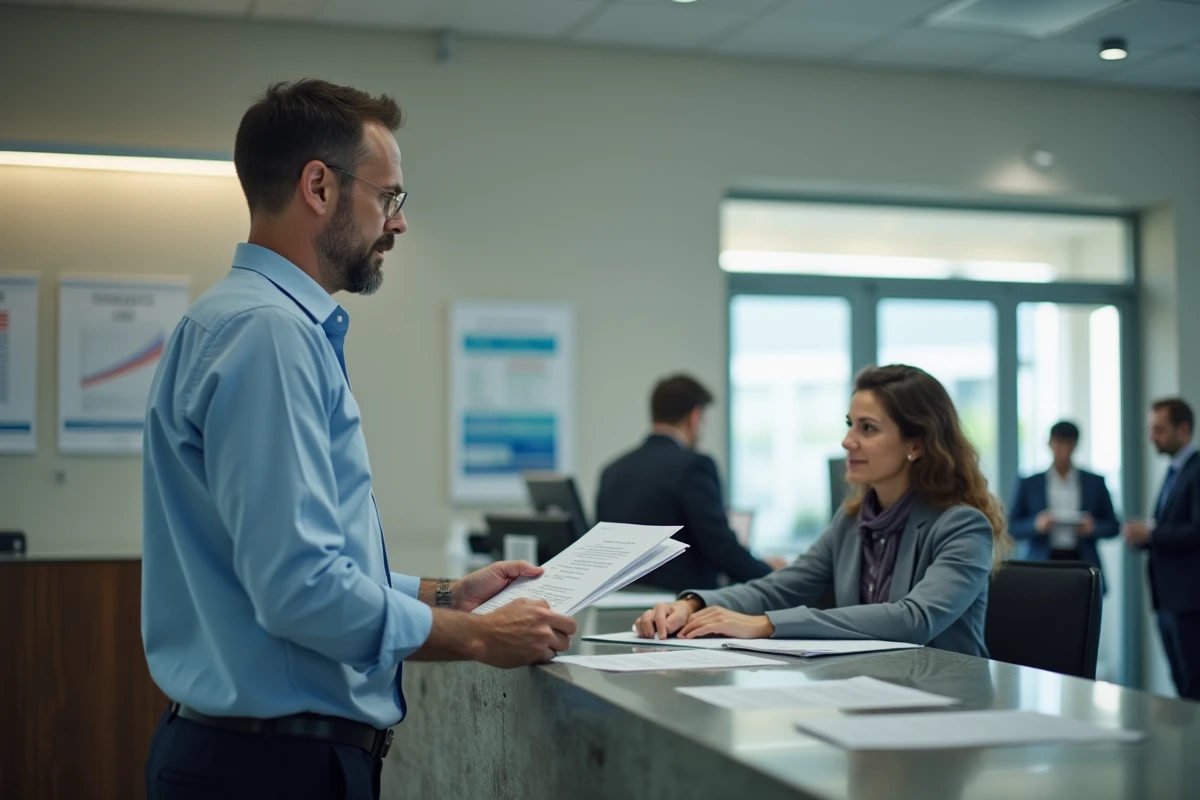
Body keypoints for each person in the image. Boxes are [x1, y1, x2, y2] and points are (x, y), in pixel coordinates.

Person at [141, 80, 577, 800]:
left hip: (251, 756)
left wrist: (448, 596)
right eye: (389, 197)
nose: (397, 224)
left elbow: (297, 563)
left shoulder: (243, 323)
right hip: (271, 768)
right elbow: (299, 590)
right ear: (318, 186)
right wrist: (477, 639)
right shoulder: (268, 335)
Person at [634, 364, 1009, 658]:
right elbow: (779, 588)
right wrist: (692, 604)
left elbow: (914, 619)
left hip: (947, 700)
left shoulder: (963, 525)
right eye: (850, 425)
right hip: (867, 690)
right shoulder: (851, 522)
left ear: (917, 443)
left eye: (868, 428)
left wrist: (765, 625)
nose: (848, 441)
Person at [595, 374, 783, 594]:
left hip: (618, 602)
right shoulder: (694, 465)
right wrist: (773, 575)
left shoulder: (613, 469)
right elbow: (720, 548)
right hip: (680, 609)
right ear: (694, 417)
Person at [1124, 398, 1200, 700]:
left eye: (1159, 429)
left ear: (1183, 429)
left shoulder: (1196, 471)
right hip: (1168, 598)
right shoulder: (1175, 472)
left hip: (1189, 601)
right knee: (1182, 682)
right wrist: (1143, 537)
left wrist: (1151, 533)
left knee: (1193, 685)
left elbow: (1197, 531)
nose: (1151, 437)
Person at [1008, 421, 1119, 589]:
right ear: (1050, 443)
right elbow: (1012, 527)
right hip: (1042, 563)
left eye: (1068, 443)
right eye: (1058, 442)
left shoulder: (1095, 482)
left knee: (1082, 614)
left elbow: (1113, 526)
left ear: (1075, 445)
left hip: (1081, 562)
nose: (1062, 449)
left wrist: (1093, 527)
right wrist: (1036, 525)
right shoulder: (1029, 483)